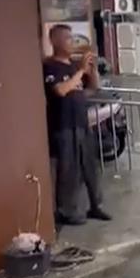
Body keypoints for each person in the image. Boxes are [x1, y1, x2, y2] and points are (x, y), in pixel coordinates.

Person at [43, 24, 111, 225]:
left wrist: (91, 70)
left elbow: (91, 89)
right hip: (63, 126)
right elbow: (61, 91)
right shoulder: (50, 66)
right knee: (68, 170)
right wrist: (80, 71)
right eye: (68, 39)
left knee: (90, 167)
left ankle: (95, 205)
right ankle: (67, 211)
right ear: (55, 41)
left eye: (73, 39)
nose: (72, 43)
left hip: (82, 122)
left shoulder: (73, 66)